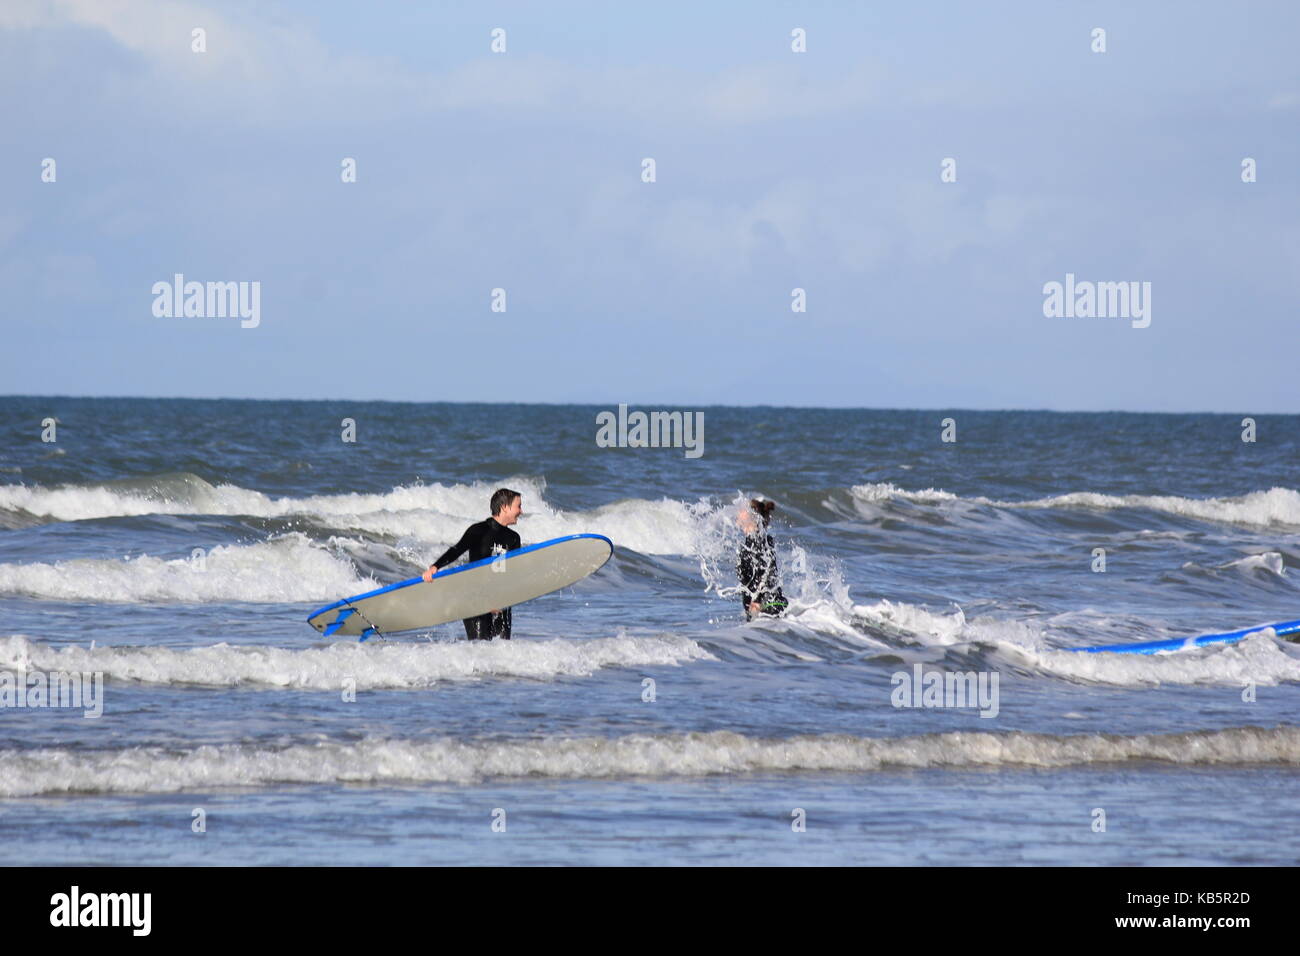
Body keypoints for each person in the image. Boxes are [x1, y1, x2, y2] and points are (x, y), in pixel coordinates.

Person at [423, 488, 523, 640]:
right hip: (475, 600)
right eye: (518, 506)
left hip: (501, 602)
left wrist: (503, 599)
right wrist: (434, 567)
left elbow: (513, 573)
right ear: (504, 507)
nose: (521, 511)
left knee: (503, 652)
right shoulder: (478, 530)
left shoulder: (514, 538)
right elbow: (456, 550)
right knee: (480, 651)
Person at [736, 498, 788, 621]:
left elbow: (769, 571)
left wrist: (758, 600)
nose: (737, 517)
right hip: (763, 608)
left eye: (742, 512)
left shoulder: (760, 541)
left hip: (768, 606)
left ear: (752, 517)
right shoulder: (751, 542)